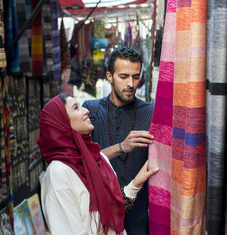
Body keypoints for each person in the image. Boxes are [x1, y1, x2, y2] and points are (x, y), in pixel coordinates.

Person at [38, 93, 158, 235]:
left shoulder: (98, 159)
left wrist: (138, 181)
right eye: (76, 108)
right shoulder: (59, 173)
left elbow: (114, 206)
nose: (86, 111)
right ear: (61, 122)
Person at [82, 46, 154, 235]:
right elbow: (82, 162)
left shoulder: (151, 113)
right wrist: (122, 147)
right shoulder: (91, 111)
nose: (131, 83)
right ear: (109, 76)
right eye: (123, 76)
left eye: (136, 76)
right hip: (99, 219)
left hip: (141, 221)